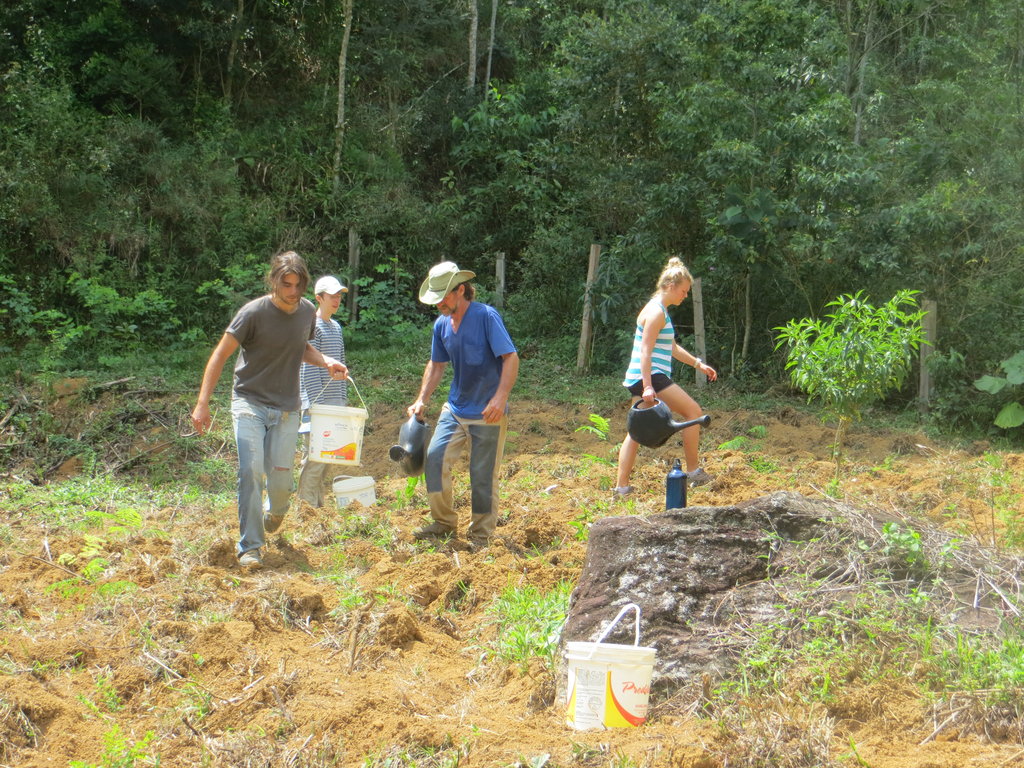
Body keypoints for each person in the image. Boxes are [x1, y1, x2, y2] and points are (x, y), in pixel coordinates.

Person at [191, 251, 348, 568]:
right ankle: (250, 546)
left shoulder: (306, 312)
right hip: (249, 402)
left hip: (287, 407)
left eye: (298, 285)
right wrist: (202, 403)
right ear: (273, 281)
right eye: (286, 284)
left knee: (281, 483)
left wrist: (325, 361)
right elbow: (220, 354)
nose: (293, 292)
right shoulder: (253, 313)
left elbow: (301, 346)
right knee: (250, 471)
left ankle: (275, 511)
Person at [407, 261, 519, 551]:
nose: (439, 304)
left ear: (460, 290)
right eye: (436, 299)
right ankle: (443, 522)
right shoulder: (442, 324)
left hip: (488, 412)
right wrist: (422, 399)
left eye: (443, 297)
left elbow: (510, 357)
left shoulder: (485, 317)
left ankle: (481, 535)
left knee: (482, 475)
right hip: (456, 408)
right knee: (434, 458)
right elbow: (436, 364)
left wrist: (500, 398)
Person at [613, 256, 717, 498]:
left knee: (635, 432)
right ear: (671, 286)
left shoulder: (659, 310)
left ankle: (621, 488)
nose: (685, 296)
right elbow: (645, 351)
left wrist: (698, 364)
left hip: (642, 377)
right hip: (651, 376)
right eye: (683, 291)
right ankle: (693, 472)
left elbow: (672, 348)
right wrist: (648, 386)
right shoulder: (656, 312)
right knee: (693, 412)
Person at [297, 275, 349, 507]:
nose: (336, 300)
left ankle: (316, 505)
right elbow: (308, 368)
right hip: (318, 403)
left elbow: (341, 364)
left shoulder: (336, 327)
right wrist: (316, 405)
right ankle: (306, 506)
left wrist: (343, 400)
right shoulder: (313, 327)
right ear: (319, 298)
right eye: (332, 296)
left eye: (339, 296)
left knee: (328, 455)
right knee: (315, 457)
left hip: (335, 402)